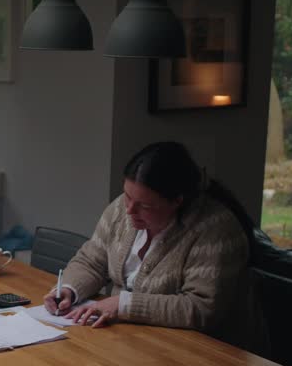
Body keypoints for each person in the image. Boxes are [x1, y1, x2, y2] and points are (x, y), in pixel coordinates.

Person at [43, 141, 265, 353]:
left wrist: (123, 305)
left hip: (198, 357)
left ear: (177, 201)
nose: (129, 209)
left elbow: (202, 308)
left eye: (145, 205)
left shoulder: (215, 232)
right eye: (127, 196)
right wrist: (70, 289)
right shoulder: (123, 209)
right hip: (127, 343)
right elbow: (92, 261)